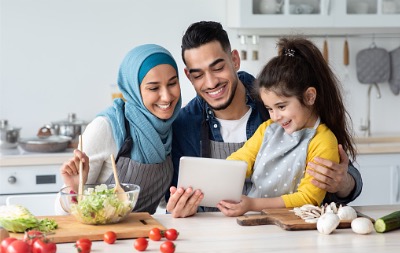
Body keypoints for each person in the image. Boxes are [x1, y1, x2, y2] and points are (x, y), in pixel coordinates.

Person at [166, 21, 362, 218]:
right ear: (189, 77)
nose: (211, 82)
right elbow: (176, 198)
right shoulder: (184, 124)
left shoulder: (271, 95)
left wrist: (344, 182)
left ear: (234, 60)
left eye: (218, 68)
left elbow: (342, 177)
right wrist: (178, 207)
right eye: (198, 75)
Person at [218, 36, 356, 216]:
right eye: (269, 108)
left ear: (309, 97)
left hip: (295, 226)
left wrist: (252, 204)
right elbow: (241, 160)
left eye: (281, 106)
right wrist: (215, 176)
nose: (275, 116)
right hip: (258, 222)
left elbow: (308, 198)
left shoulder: (323, 141)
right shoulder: (268, 129)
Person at [56, 44, 182, 215]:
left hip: (143, 237)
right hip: (102, 238)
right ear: (133, 89)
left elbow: (158, 201)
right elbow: (60, 214)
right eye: (153, 88)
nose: (167, 96)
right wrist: (74, 189)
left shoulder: (169, 128)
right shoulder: (107, 127)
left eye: (172, 83)